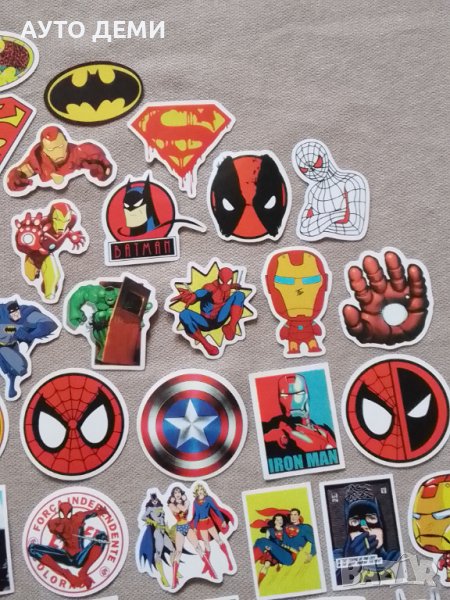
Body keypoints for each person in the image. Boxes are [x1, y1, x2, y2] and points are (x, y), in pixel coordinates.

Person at [28, 501, 109, 590]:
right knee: (32, 548)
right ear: (59, 513)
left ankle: (83, 572)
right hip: (65, 556)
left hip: (80, 557)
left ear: (71, 513)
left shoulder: (79, 517)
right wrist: (59, 527)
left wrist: (101, 511)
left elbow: (92, 513)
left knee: (102, 536)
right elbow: (53, 528)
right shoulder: (53, 523)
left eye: (68, 514)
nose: (65, 517)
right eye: (63, 515)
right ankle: (66, 574)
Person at [0, 300, 59, 400]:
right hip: (5, 345)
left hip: (14, 344)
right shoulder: (3, 315)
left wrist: (30, 335)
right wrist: (15, 329)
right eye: (12, 312)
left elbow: (49, 323)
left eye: (16, 311)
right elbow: (8, 329)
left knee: (20, 368)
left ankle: (12, 380)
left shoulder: (26, 314)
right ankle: (12, 381)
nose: (15, 314)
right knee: (12, 364)